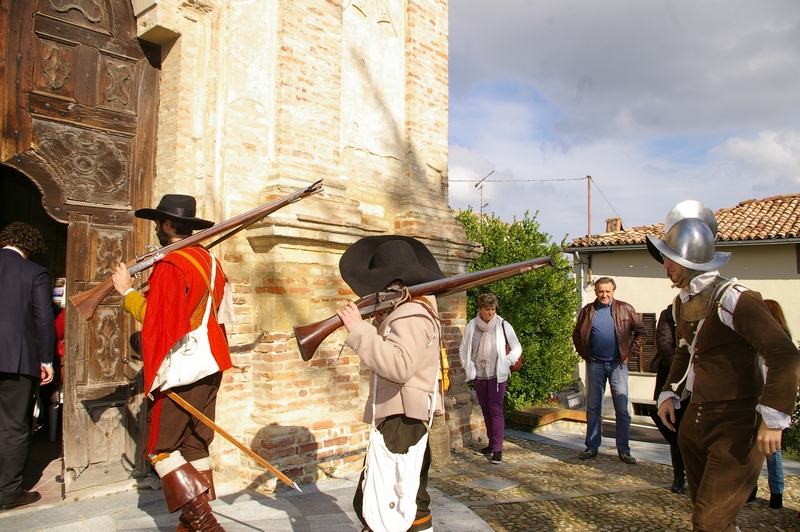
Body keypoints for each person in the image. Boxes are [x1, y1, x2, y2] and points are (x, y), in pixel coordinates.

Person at [647, 201, 800, 532]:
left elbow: (784, 353)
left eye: (670, 260)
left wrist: (773, 420)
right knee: (709, 517)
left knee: (710, 522)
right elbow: (686, 352)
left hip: (737, 428)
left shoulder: (737, 298)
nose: (665, 267)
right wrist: (669, 393)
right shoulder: (682, 301)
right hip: (695, 424)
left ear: (690, 260)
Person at [112, 194, 234, 532]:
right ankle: (189, 522)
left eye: (157, 222)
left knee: (161, 449)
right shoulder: (209, 261)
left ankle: (206, 524)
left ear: (167, 224)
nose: (155, 228)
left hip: (183, 367)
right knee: (194, 443)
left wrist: (127, 293)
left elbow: (158, 323)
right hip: (211, 362)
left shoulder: (172, 264)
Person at [336, 235, 444, 532]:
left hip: (403, 417)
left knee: (392, 500)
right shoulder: (407, 310)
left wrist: (359, 331)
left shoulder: (410, 313)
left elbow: (399, 365)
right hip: (402, 415)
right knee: (390, 497)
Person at [0, 222, 55, 510]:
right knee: (13, 426)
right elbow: (43, 319)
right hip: (17, 358)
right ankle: (7, 492)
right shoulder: (34, 271)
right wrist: (46, 360)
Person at [572, 277, 647, 464]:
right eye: (601, 291)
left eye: (608, 291)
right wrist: (585, 354)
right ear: (596, 292)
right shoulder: (588, 311)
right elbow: (576, 334)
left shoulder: (625, 309)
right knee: (593, 407)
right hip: (595, 364)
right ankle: (591, 446)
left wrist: (630, 353)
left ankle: (623, 450)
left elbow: (642, 332)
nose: (604, 295)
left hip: (618, 365)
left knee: (621, 408)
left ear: (613, 291)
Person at [458, 293, 521, 464]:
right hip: (479, 374)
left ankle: (498, 449)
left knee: (496, 410)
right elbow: (464, 349)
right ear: (480, 309)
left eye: (493, 309)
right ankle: (491, 443)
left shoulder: (502, 325)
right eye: (487, 309)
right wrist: (467, 366)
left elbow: (516, 347)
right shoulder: (472, 326)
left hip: (497, 375)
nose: (491, 313)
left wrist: (507, 362)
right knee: (486, 410)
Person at [747, 299, 793, 510]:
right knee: (761, 450)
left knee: (769, 450)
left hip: (768, 400)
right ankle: (771, 494)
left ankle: (772, 493)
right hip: (763, 398)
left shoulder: (777, 341)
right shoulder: (768, 339)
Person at [649, 304, 687, 494]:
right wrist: (680, 371)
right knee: (673, 425)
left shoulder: (708, 309)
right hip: (671, 376)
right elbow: (664, 344)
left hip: (696, 378)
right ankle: (679, 475)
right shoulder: (669, 313)